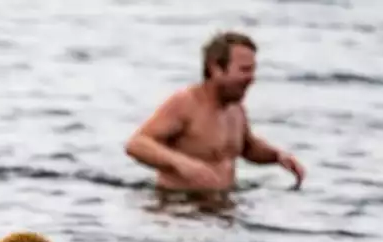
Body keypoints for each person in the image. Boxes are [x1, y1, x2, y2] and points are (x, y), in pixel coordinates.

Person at [124, 30, 305, 193]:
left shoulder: (235, 108)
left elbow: (247, 147)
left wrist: (277, 156)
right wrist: (181, 163)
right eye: (244, 70)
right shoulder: (185, 103)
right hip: (180, 209)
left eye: (253, 70)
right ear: (216, 69)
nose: (251, 79)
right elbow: (137, 144)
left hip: (222, 207)